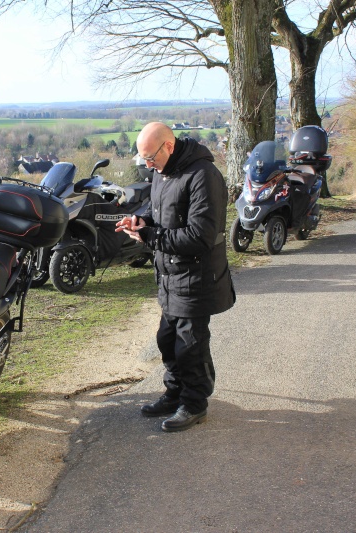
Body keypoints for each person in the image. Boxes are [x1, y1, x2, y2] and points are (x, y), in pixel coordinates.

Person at [116, 122, 235, 432]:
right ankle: (174, 393)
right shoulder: (163, 171)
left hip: (196, 276)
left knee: (189, 346)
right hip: (169, 276)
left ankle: (195, 404)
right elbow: (161, 211)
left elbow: (200, 236)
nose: (146, 165)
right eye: (142, 159)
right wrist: (140, 220)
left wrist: (149, 236)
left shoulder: (202, 176)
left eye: (150, 157)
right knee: (167, 340)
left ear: (168, 146)